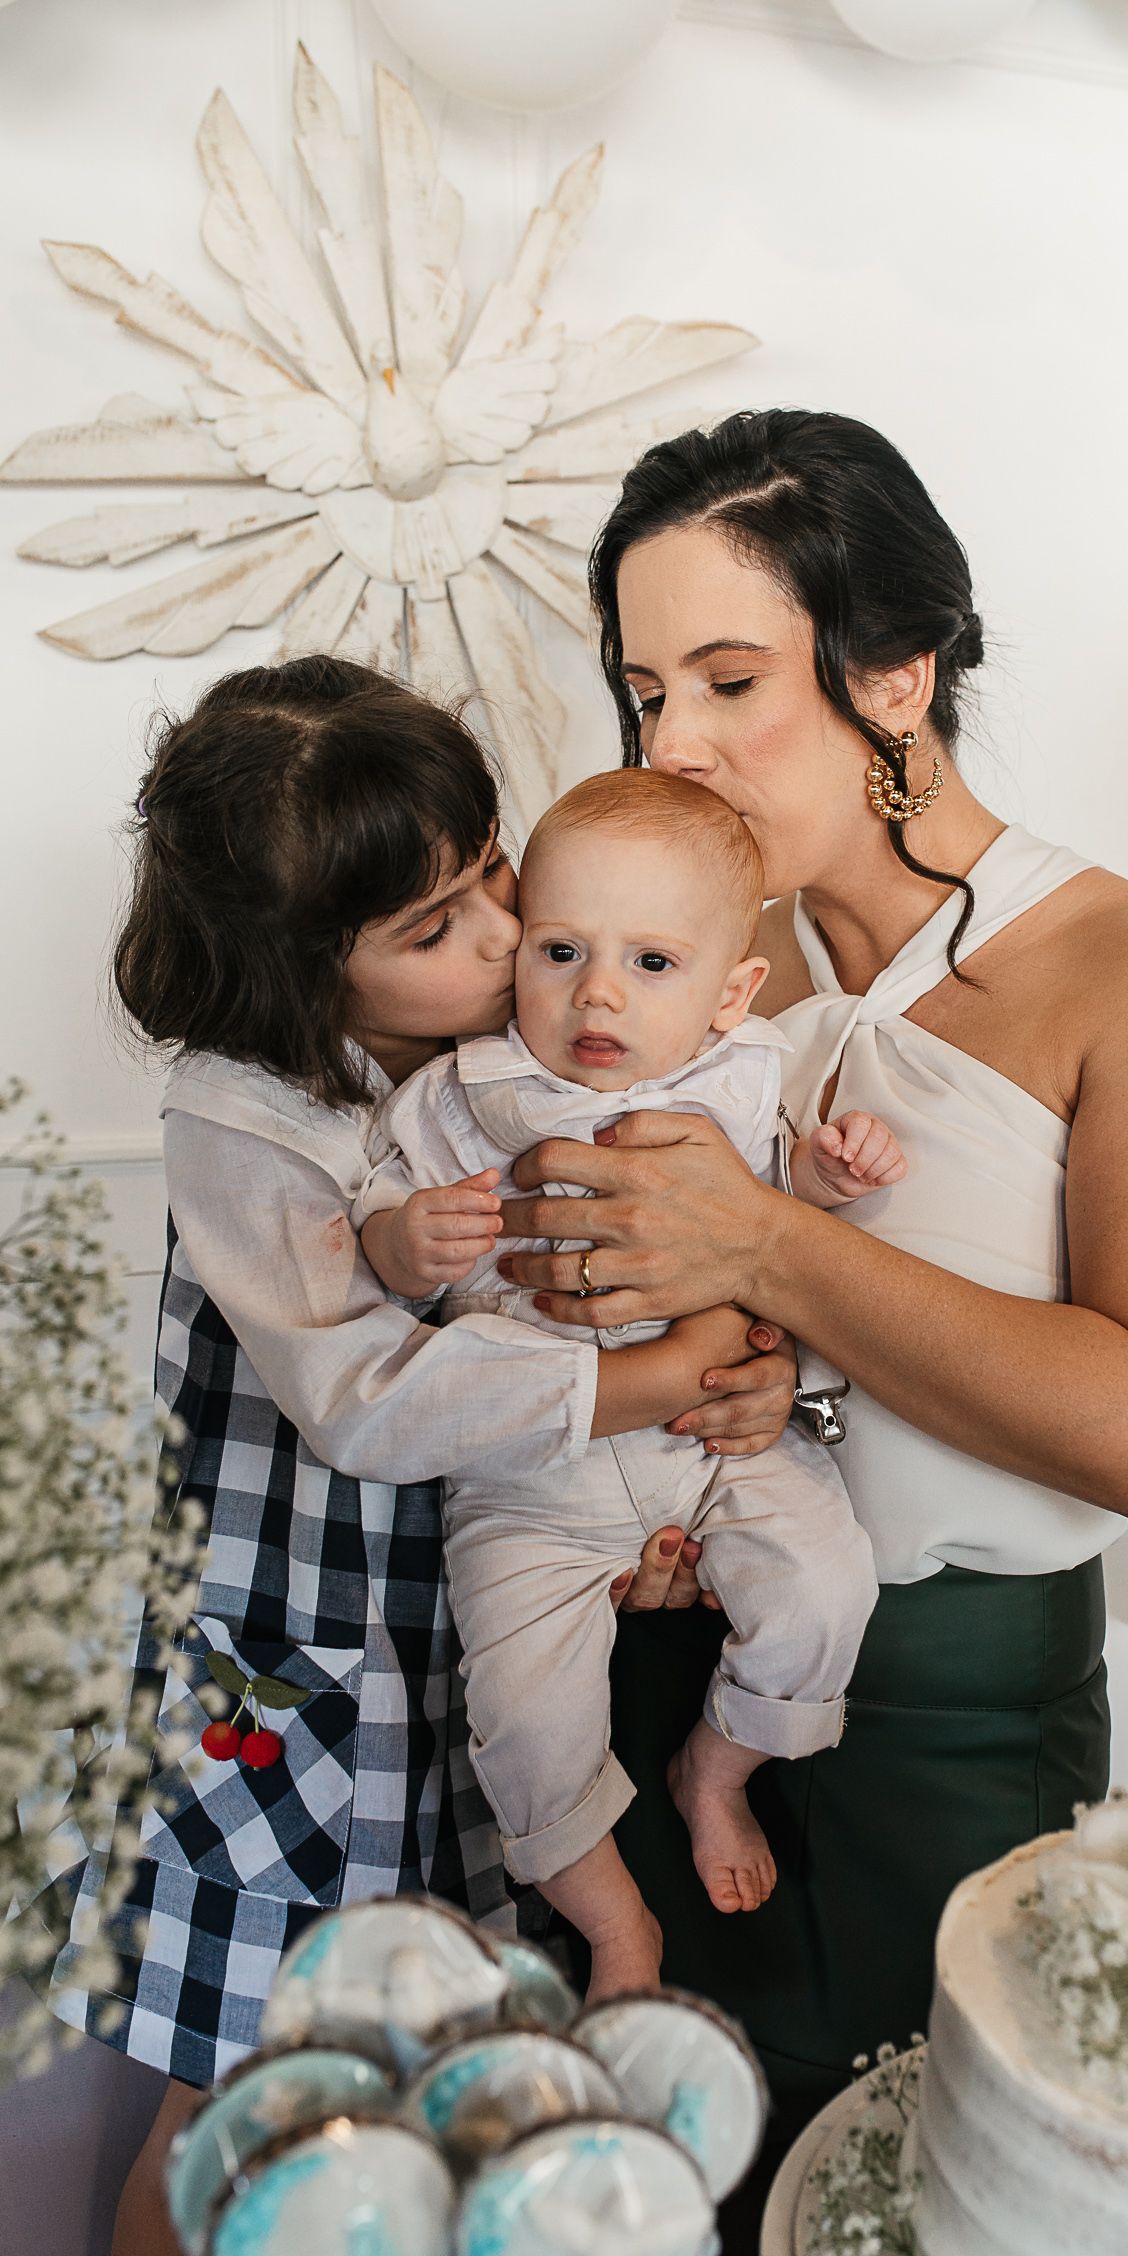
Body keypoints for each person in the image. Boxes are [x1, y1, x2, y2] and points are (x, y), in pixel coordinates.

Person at [493, 408, 1128, 2139]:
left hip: (957, 1722)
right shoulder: (666, 977)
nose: (672, 745)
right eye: (644, 693)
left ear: (897, 674)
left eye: (728, 682)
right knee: (644, 2163)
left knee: (924, 2174)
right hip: (651, 1680)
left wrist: (769, 1244)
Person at [56, 657, 797, 2256]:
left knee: (413, 2078)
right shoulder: (245, 1120)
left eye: (490, 878)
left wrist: (736, 1387)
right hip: (288, 1650)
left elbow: (672, 1260)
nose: (502, 936)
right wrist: (652, 1381)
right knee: (241, 2096)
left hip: (443, 1620)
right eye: (435, 926)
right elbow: (367, 1404)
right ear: (304, 973)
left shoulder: (498, 1051)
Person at [354, 766, 896, 1993]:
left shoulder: (746, 1077)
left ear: (730, 992)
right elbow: (378, 1222)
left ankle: (721, 1766)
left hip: (718, 1438)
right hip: (526, 1476)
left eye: (652, 963)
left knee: (824, 1588)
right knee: (523, 1718)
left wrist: (828, 1176)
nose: (596, 993)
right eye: (561, 951)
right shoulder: (461, 1094)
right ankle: (612, 1923)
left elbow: (782, 1218)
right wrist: (402, 1239)